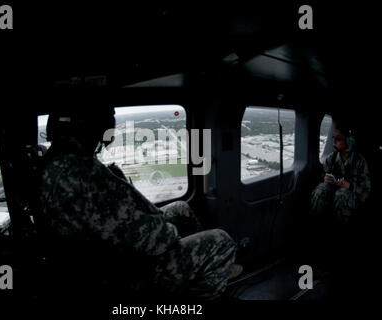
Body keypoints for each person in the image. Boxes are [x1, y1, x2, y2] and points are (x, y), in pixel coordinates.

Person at [39, 81, 242, 300]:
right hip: (122, 276)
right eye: (105, 124)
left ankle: (196, 269)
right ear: (91, 126)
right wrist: (168, 232)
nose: (108, 130)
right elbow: (139, 238)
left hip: (116, 258)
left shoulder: (68, 162)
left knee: (180, 208)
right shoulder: (75, 175)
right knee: (222, 242)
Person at [311, 124, 371, 224]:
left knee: (341, 196)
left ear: (349, 141)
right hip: (332, 190)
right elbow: (322, 175)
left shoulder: (360, 161)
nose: (334, 142)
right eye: (334, 138)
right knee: (320, 191)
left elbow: (366, 189)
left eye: (338, 139)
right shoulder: (332, 157)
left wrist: (350, 186)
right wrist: (325, 179)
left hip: (351, 195)